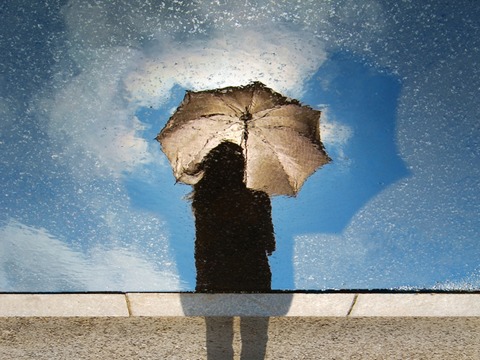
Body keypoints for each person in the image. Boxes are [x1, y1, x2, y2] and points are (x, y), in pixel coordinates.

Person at [192, 141, 275, 292]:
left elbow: (202, 247)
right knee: (254, 313)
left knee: (220, 314)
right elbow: (269, 244)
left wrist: (202, 280)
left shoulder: (205, 200)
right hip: (253, 273)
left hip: (214, 275)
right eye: (240, 162)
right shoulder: (258, 198)